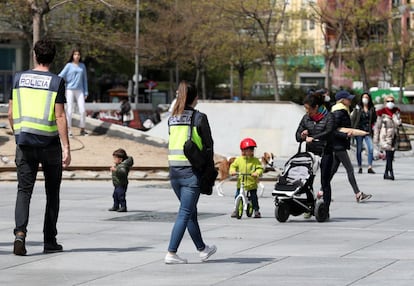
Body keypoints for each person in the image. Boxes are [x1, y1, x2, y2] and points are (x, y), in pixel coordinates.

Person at [8, 38, 71, 256]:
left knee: (24, 190)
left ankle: (20, 234)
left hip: (24, 142)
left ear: (35, 54)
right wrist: (67, 147)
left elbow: (10, 113)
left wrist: (18, 134)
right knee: (52, 192)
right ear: (53, 58)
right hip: (50, 144)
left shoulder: (18, 78)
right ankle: (49, 239)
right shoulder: (57, 81)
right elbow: (60, 116)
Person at [165, 81, 216, 264]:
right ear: (195, 98)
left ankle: (203, 249)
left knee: (190, 212)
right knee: (185, 212)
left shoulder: (172, 118)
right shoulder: (199, 118)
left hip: (174, 173)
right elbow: (209, 146)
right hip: (191, 173)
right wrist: (209, 172)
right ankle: (171, 252)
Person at [295, 91, 334, 221]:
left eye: (308, 109)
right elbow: (297, 135)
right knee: (307, 181)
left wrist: (314, 137)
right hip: (311, 154)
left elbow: (329, 132)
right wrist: (302, 135)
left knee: (325, 182)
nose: (307, 111)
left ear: (316, 107)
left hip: (326, 152)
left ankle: (325, 210)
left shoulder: (328, 117)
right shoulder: (306, 118)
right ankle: (309, 207)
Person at [330, 90, 372, 203]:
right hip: (338, 145)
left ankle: (321, 193)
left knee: (332, 171)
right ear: (342, 100)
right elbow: (333, 130)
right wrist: (345, 135)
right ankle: (358, 194)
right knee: (350, 169)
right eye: (348, 98)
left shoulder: (343, 111)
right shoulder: (339, 112)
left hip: (338, 145)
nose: (350, 100)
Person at [229, 138, 264, 218]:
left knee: (253, 197)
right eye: (248, 150)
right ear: (243, 150)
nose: (251, 151)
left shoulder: (255, 160)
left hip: (251, 183)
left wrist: (257, 172)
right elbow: (233, 166)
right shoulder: (239, 160)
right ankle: (236, 209)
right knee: (237, 195)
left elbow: (259, 168)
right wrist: (233, 171)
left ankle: (256, 210)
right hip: (241, 182)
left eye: (252, 150)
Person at [58, 47, 89, 137]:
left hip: (80, 90)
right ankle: (68, 129)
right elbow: (61, 75)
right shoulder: (69, 66)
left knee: (82, 110)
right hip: (70, 89)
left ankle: (82, 129)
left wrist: (86, 92)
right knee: (69, 110)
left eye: (78, 54)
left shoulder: (82, 66)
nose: (77, 56)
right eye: (75, 54)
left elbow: (85, 79)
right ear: (72, 55)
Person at [373, 95, 401, 180]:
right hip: (385, 137)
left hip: (394, 137)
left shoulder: (396, 112)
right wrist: (376, 139)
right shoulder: (381, 112)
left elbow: (398, 124)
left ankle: (386, 173)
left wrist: (397, 120)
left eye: (392, 101)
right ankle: (391, 173)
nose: (390, 103)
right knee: (388, 155)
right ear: (385, 102)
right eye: (388, 101)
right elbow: (377, 127)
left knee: (391, 156)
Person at [351, 92, 377, 174]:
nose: (365, 99)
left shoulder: (372, 109)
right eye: (364, 97)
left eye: (367, 97)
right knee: (359, 149)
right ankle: (360, 167)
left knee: (371, 148)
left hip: (367, 131)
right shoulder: (358, 108)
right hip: (359, 131)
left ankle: (370, 167)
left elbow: (374, 119)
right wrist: (352, 130)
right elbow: (353, 119)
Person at [108, 148, 134, 212]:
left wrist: (116, 170)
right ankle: (116, 206)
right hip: (117, 183)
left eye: (115, 158)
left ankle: (123, 207)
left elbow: (123, 173)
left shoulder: (123, 166)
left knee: (121, 196)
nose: (114, 160)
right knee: (115, 195)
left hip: (121, 183)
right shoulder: (119, 165)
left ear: (120, 159)